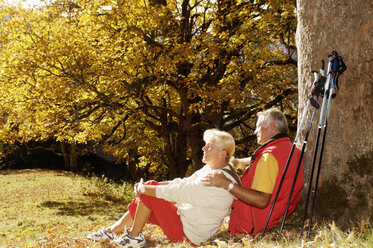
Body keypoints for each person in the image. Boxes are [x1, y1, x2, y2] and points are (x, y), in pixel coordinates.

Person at [87, 129, 240, 247]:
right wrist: (149, 186)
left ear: (222, 154)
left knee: (149, 193)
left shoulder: (217, 179)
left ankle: (134, 237)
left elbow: (181, 192)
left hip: (189, 235)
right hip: (184, 220)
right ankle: (110, 232)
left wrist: (147, 189)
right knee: (143, 198)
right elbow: (182, 182)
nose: (203, 148)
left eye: (210, 146)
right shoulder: (210, 169)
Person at [202, 108, 304, 235]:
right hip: (277, 216)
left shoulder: (268, 157)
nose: (255, 132)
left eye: (258, 127)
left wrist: (226, 183)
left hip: (253, 225)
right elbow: (270, 163)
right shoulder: (290, 149)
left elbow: (261, 200)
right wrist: (240, 162)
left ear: (271, 127)